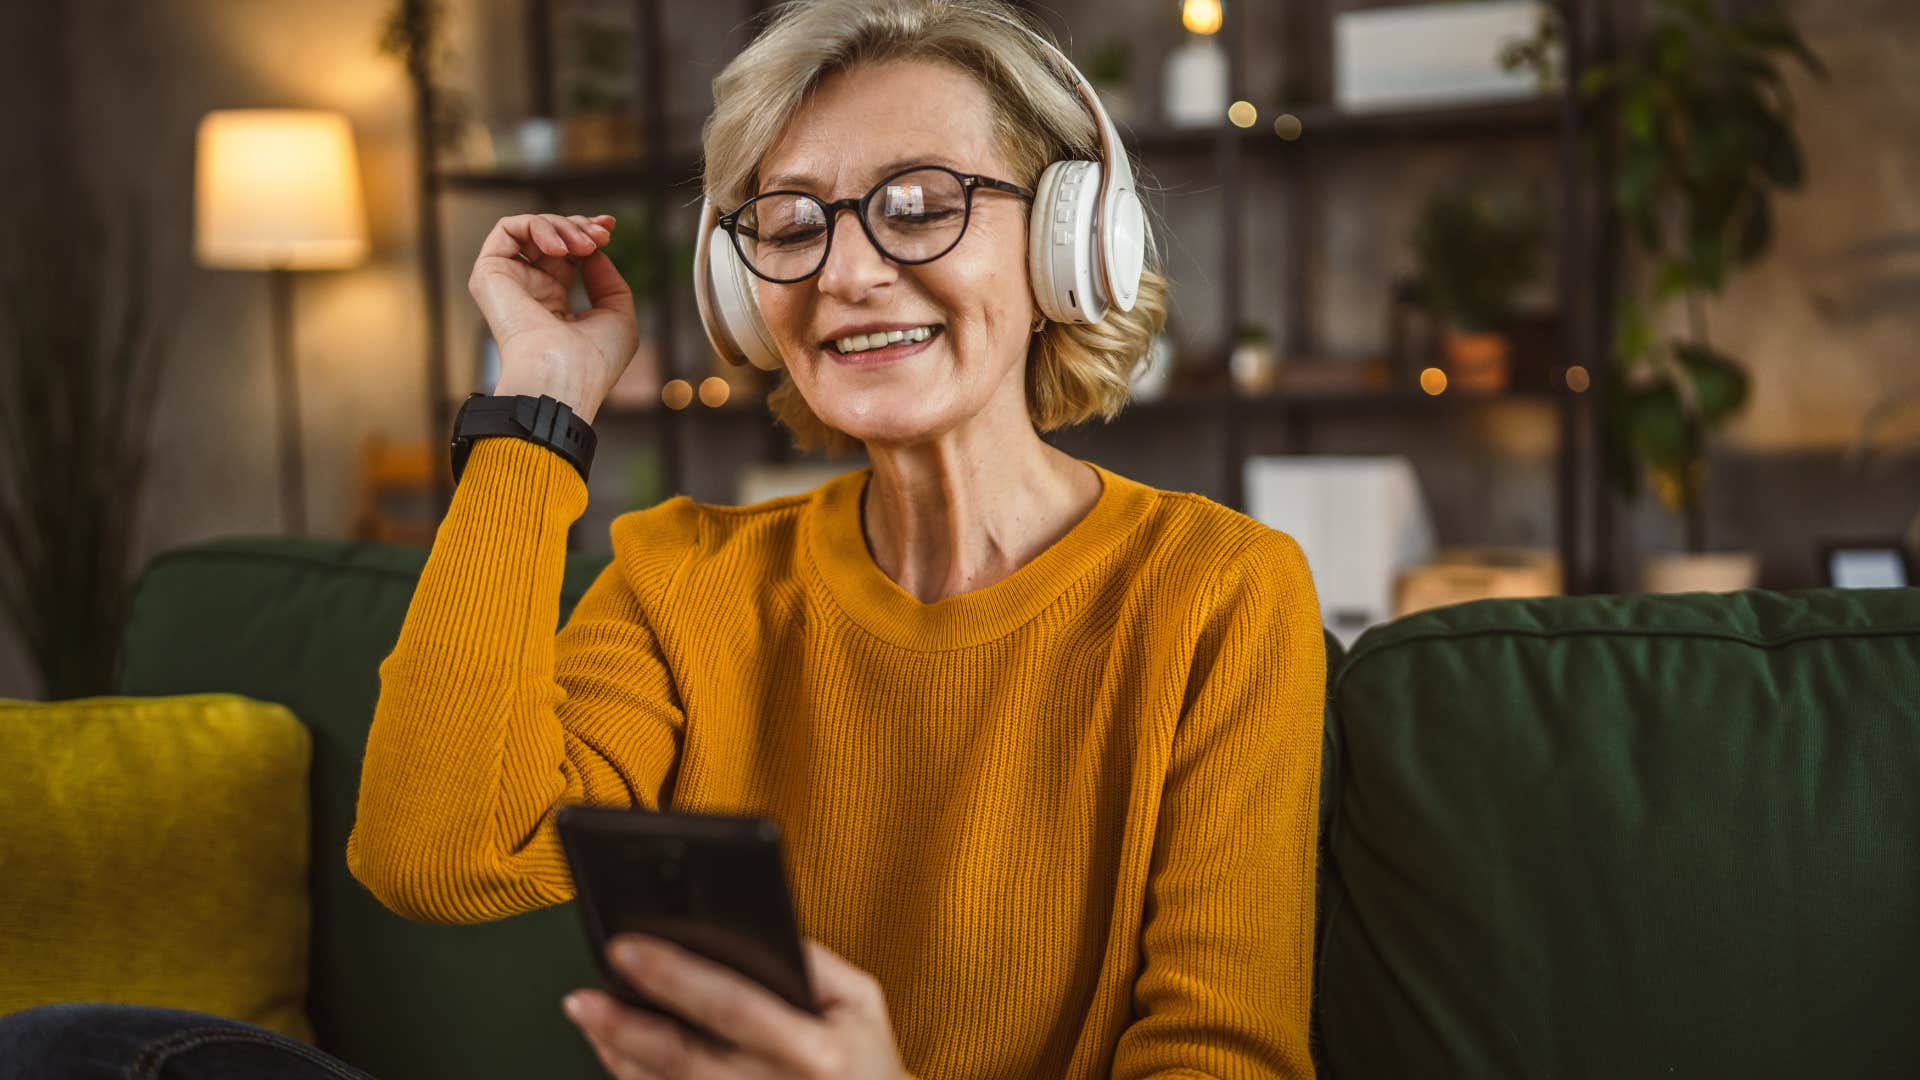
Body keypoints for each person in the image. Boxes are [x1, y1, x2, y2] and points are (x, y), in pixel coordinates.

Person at [0, 1, 1324, 1076]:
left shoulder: (1217, 594)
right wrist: (542, 401)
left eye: (919, 203)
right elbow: (432, 851)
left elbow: (1221, 1061)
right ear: (747, 294)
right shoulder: (691, 574)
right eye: (791, 224)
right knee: (83, 1054)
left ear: (1063, 241)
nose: (849, 272)